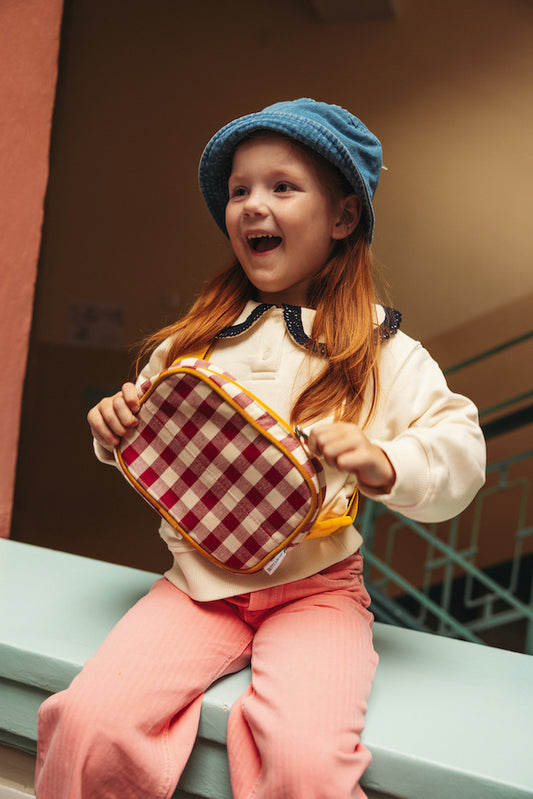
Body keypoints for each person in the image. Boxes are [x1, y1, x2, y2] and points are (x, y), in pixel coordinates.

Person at [35, 98, 486, 799]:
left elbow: (460, 449)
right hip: (197, 586)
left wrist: (384, 460)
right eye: (238, 189)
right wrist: (113, 428)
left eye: (281, 186)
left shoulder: (384, 351)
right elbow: (152, 438)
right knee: (89, 722)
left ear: (341, 218)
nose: (251, 204)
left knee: (305, 764)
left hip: (315, 594)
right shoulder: (189, 342)